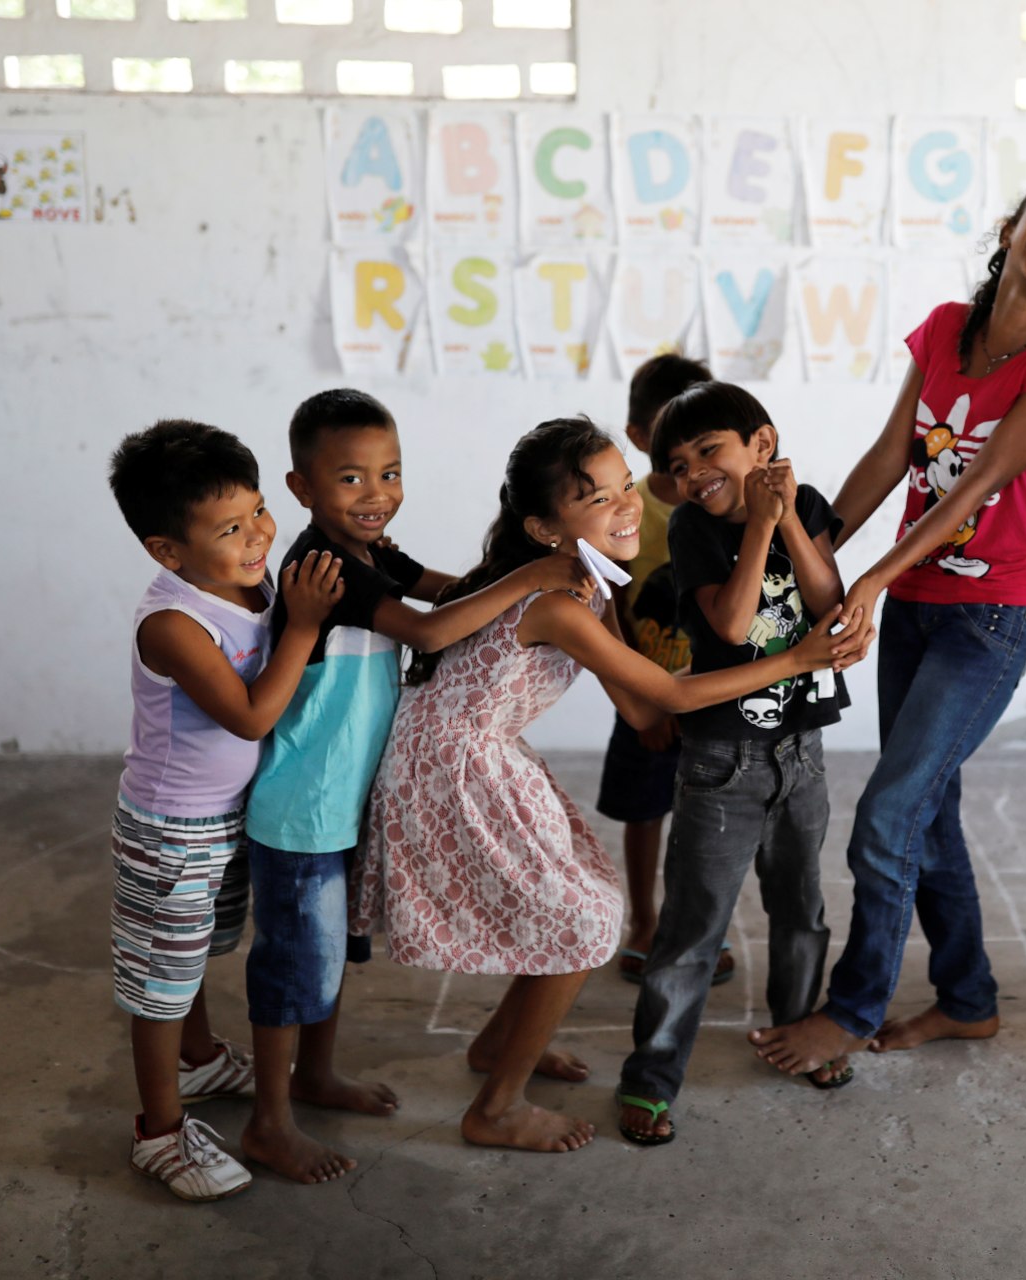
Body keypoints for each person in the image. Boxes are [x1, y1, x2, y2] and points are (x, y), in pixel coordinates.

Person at [359, 416, 869, 1152]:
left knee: (580, 901)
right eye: (596, 498)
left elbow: (638, 701)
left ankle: (498, 1051)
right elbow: (669, 697)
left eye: (625, 485)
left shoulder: (589, 589)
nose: (627, 505)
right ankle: (495, 1108)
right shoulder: (558, 603)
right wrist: (798, 659)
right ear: (543, 528)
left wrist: (743, 676)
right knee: (586, 921)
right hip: (454, 766)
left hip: (484, 753)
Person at [749, 170, 1026, 1077]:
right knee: (930, 812)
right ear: (1012, 226)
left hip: (986, 623)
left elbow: (978, 485)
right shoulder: (949, 326)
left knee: (889, 810)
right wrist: (808, 540)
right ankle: (969, 1002)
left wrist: (864, 581)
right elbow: (891, 455)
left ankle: (853, 1006)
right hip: (915, 610)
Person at [241, 389, 590, 1183]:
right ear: (301, 488)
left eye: (391, 473)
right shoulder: (322, 568)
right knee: (294, 966)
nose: (378, 494)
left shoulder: (374, 555)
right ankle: (269, 1121)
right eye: (352, 479)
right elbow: (433, 629)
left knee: (328, 956)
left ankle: (316, 1077)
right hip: (303, 808)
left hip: (347, 799)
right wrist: (536, 570)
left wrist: (539, 557)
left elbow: (454, 592)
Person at [105, 419, 342, 1200]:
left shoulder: (251, 581)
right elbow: (248, 715)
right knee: (161, 980)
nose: (256, 537)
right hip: (171, 828)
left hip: (229, 817)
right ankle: (159, 1131)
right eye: (229, 528)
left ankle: (200, 1057)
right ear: (167, 551)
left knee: (201, 949)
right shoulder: (172, 623)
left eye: (258, 511)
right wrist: (302, 628)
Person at [617, 383, 855, 1144]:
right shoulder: (691, 530)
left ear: (762, 444)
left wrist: (786, 516)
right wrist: (758, 527)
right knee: (692, 929)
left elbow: (828, 600)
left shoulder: (807, 501)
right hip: (721, 764)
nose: (693, 475)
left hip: (801, 753)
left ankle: (798, 1032)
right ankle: (651, 1078)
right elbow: (731, 622)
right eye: (677, 467)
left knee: (801, 914)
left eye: (707, 452)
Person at [598, 355, 734, 987]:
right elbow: (609, 609)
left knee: (710, 819)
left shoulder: (723, 506)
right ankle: (645, 925)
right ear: (637, 438)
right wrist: (639, 702)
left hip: (715, 695)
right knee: (643, 811)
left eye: (700, 435)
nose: (688, 460)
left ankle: (699, 930)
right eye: (667, 439)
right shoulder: (627, 514)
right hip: (646, 693)